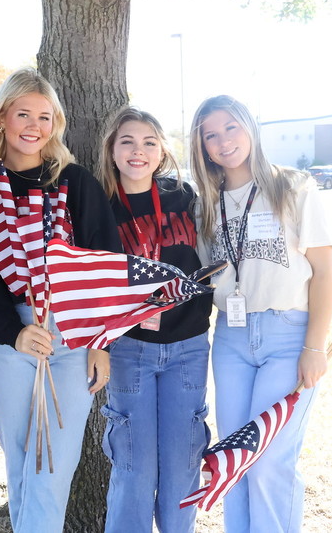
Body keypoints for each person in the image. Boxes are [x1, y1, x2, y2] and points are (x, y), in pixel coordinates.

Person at [0, 68, 122, 533]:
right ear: (2, 119)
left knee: (54, 461)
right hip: (9, 336)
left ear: (56, 124)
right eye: (23, 114)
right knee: (19, 458)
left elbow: (105, 265)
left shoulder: (75, 182)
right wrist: (14, 332)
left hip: (72, 336)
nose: (33, 125)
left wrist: (100, 342)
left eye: (45, 117)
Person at [189, 94, 332, 533]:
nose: (223, 141)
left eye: (230, 127)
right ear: (202, 147)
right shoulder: (205, 205)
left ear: (250, 126)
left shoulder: (293, 187)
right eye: (211, 135)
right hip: (231, 340)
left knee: (270, 461)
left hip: (288, 335)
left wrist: (315, 346)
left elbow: (325, 271)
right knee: (234, 461)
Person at [95, 106, 212, 533]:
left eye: (148, 142)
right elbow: (89, 285)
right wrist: (99, 347)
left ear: (162, 150)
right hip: (129, 349)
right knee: (134, 467)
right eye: (126, 141)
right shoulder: (99, 205)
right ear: (111, 149)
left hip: (188, 347)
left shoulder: (185, 196)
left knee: (183, 466)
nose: (138, 151)